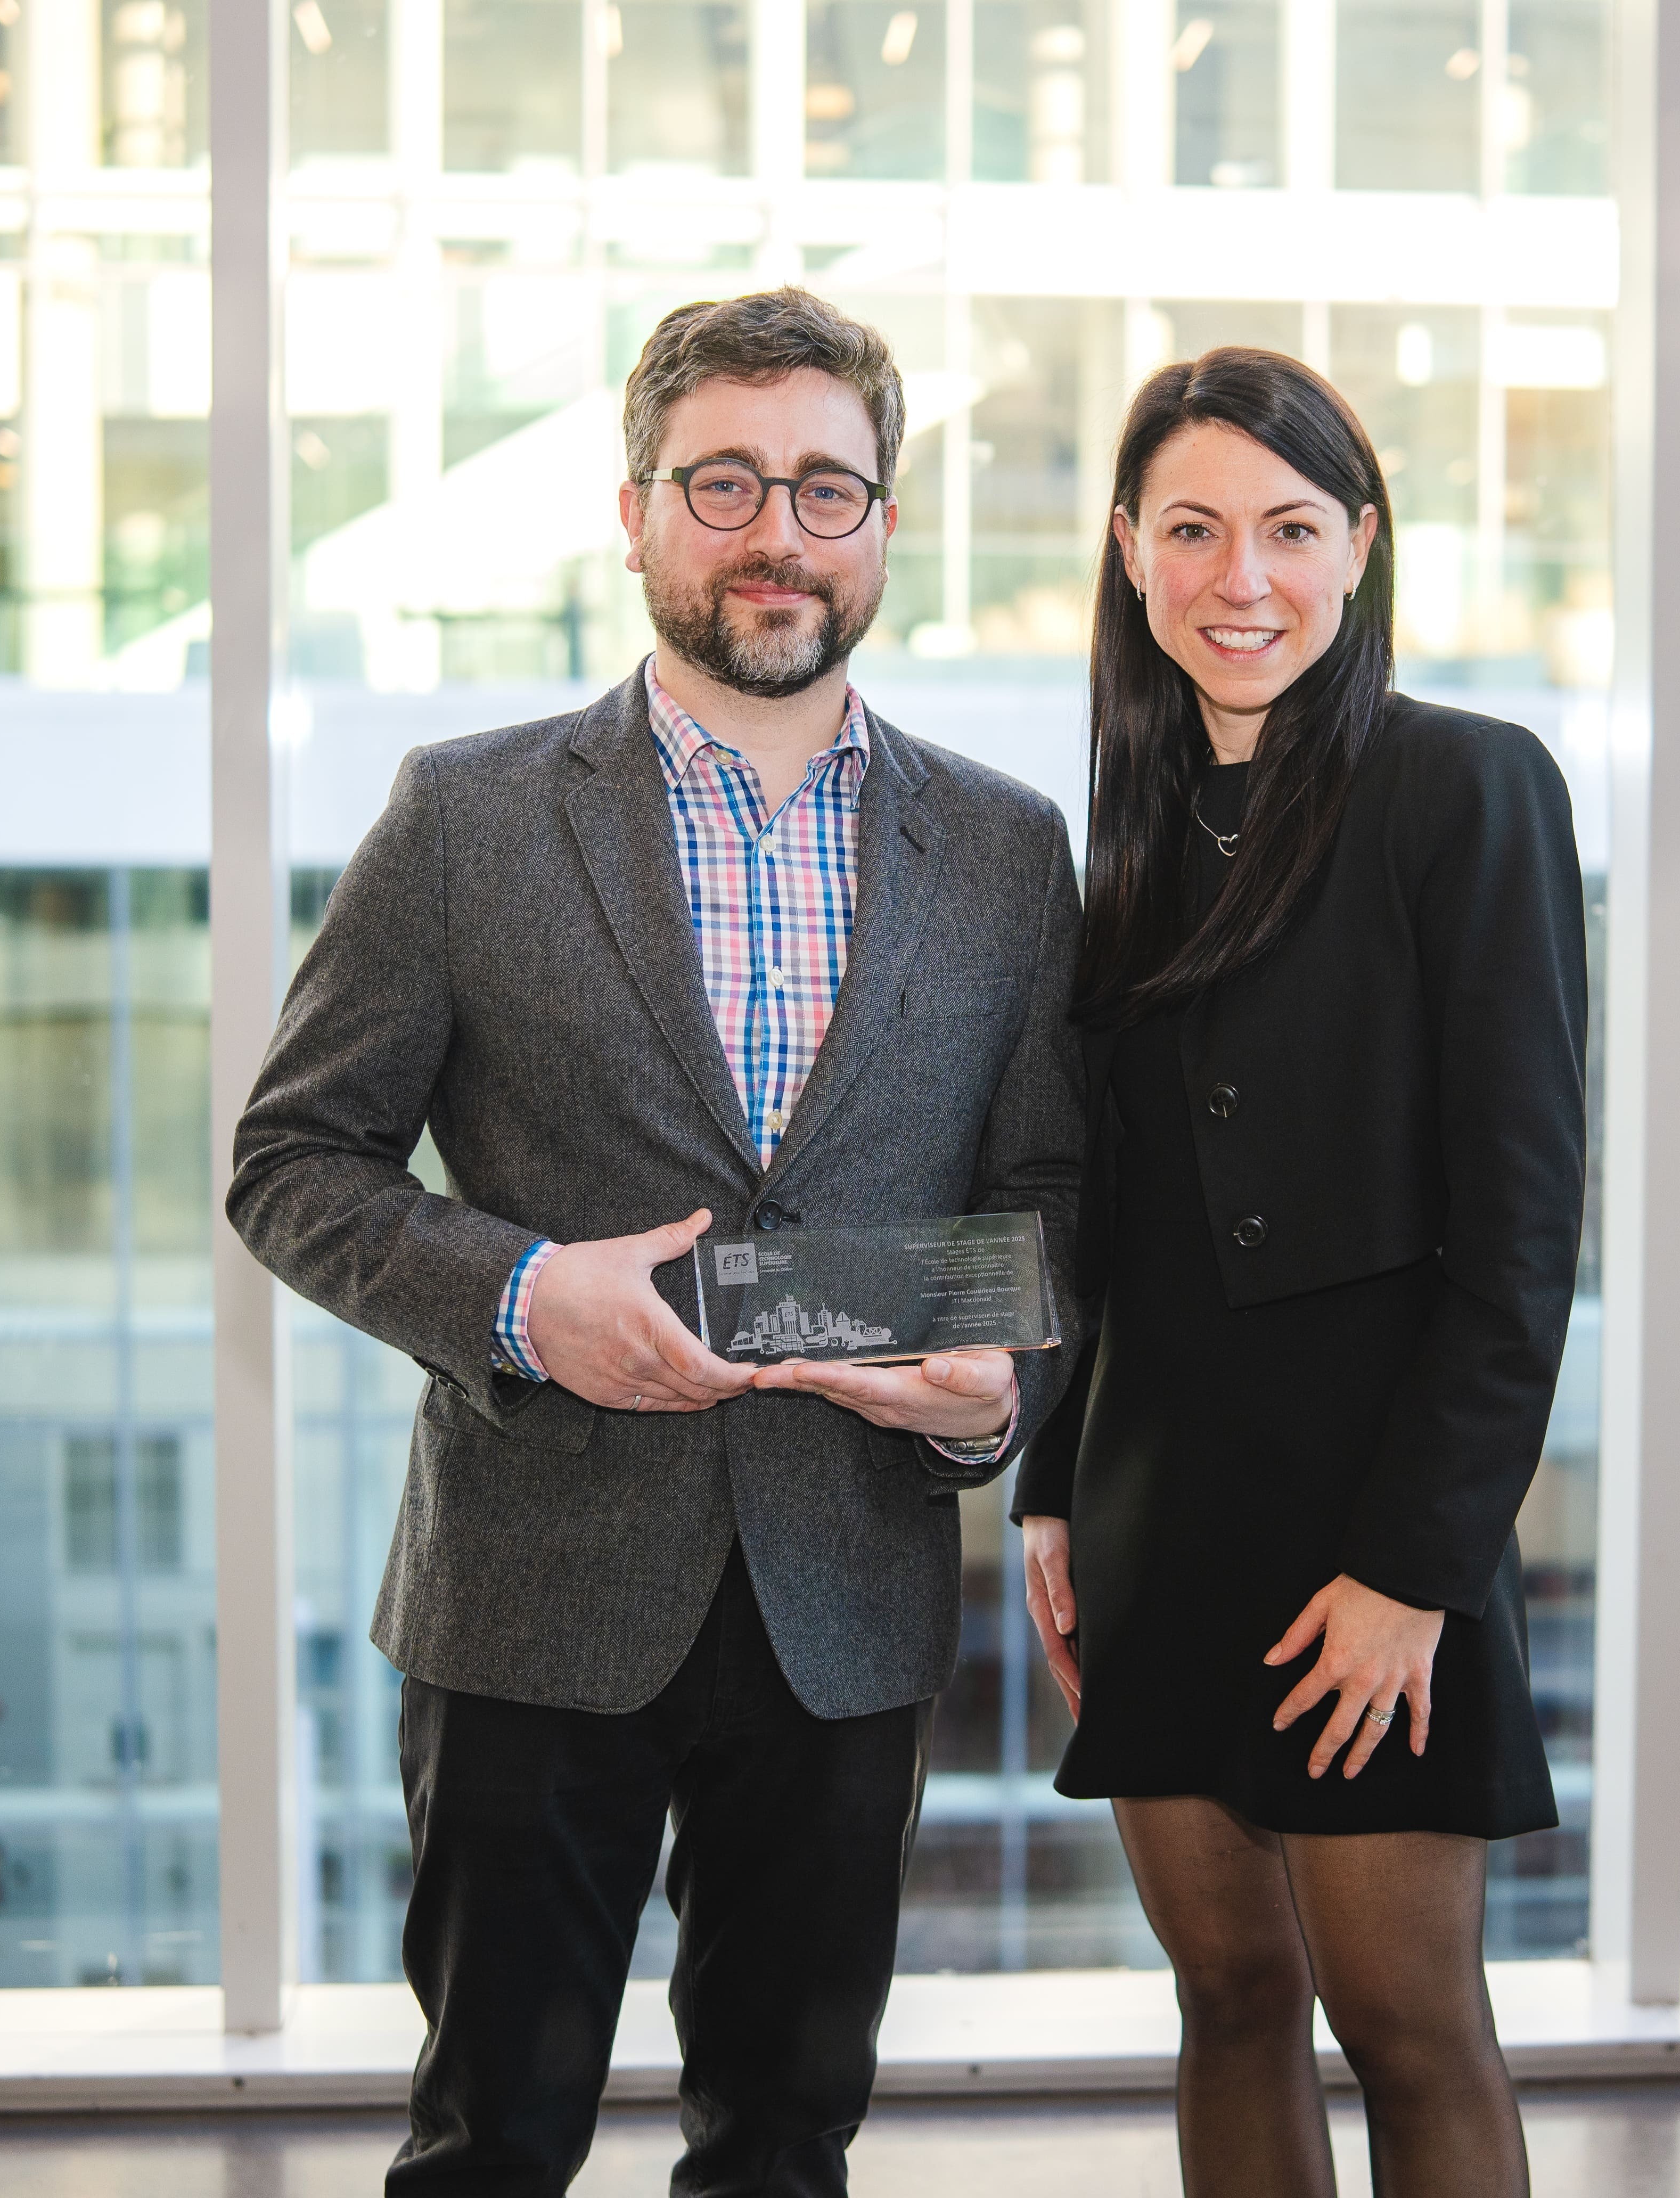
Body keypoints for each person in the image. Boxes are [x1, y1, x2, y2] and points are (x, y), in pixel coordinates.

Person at [228, 288, 1085, 2197]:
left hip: (845, 1600)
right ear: (633, 513)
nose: (778, 531)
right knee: (487, 2148)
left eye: (826, 489)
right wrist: (529, 1298)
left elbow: (1047, 1199)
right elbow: (294, 1161)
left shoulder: (1012, 848)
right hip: (532, 1589)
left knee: (784, 2147)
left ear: (882, 524)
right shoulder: (466, 819)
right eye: (724, 482)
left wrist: (984, 1396)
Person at [1013, 349, 1584, 2198]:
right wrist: (1044, 1486)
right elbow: (1091, 1207)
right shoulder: (1125, 829)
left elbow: (1521, 1243)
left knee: (1410, 2023)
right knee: (1230, 1995)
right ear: (1127, 551)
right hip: (1155, 1509)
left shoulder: (1468, 787)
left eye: (1284, 529)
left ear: (1358, 547)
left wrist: (1412, 1574)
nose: (1236, 577)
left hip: (1375, 1520)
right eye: (1189, 530)